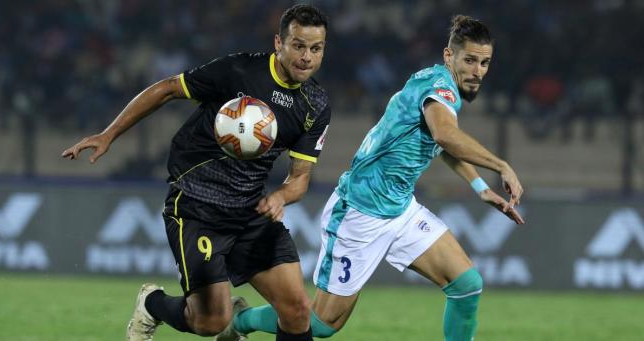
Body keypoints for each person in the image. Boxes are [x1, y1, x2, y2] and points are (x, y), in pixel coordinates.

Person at [224, 15, 525, 341]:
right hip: (359, 212)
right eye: (470, 60)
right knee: (323, 324)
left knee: (466, 285)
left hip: (400, 209)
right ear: (449, 56)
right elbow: (445, 136)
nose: (478, 70)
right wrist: (501, 165)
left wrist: (479, 186)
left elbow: (441, 141)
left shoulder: (437, 84)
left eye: (484, 62)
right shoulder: (440, 88)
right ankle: (240, 320)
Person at [62, 4, 331, 341]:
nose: (306, 56)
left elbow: (300, 178)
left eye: (316, 48)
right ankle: (152, 304)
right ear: (279, 43)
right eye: (298, 45)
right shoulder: (238, 71)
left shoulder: (315, 105)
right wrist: (108, 134)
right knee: (210, 322)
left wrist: (280, 195)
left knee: (297, 311)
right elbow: (168, 88)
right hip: (197, 205)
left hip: (250, 209)